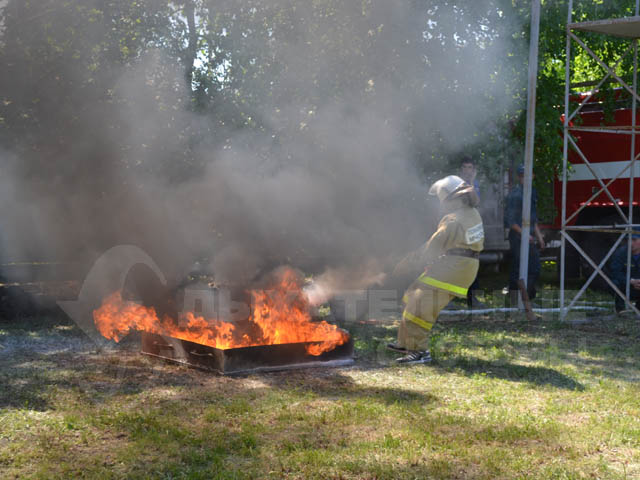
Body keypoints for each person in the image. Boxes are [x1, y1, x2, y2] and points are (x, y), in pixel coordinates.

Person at [388, 175, 484, 364]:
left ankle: (419, 352)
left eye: (444, 201)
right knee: (412, 294)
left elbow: (430, 249)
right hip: (461, 265)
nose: (443, 205)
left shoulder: (452, 220)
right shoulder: (472, 213)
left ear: (453, 198)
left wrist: (404, 265)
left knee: (419, 304)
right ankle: (406, 342)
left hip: (455, 267)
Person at [504, 165, 545, 303]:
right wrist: (524, 234)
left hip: (529, 236)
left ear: (533, 176)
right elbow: (510, 221)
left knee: (534, 267)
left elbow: (533, 218)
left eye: (528, 175)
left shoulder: (532, 192)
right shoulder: (515, 195)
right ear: (519, 177)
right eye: (522, 175)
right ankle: (515, 298)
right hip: (518, 236)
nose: (525, 178)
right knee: (518, 266)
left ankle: (528, 297)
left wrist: (539, 237)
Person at [459, 156, 485, 309]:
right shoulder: (456, 184)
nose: (467, 171)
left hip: (471, 229)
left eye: (470, 168)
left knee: (473, 262)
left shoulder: (474, 184)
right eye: (465, 168)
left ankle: (472, 299)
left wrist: (471, 184)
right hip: (458, 230)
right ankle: (446, 300)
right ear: (460, 170)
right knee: (454, 263)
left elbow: (476, 202)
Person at [608, 231, 640, 313]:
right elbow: (615, 272)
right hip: (626, 285)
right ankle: (620, 308)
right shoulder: (620, 253)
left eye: (634, 240)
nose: (631, 243)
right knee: (614, 282)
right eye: (628, 240)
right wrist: (630, 281)